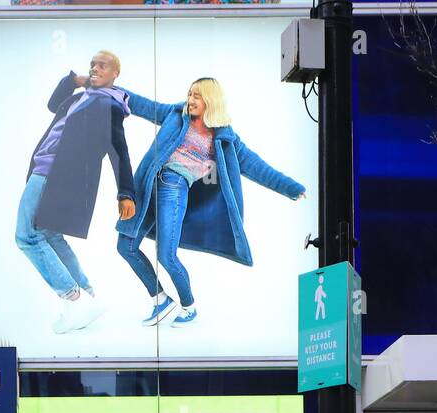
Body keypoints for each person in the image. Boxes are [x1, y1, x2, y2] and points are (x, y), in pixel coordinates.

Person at [115, 77, 306, 327]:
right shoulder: (175, 114)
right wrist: (113, 90)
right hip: (148, 186)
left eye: (197, 96)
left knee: (167, 256)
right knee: (125, 246)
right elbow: (143, 105)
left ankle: (188, 306)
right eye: (190, 94)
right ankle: (160, 300)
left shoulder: (225, 139)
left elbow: (258, 168)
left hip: (174, 189)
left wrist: (291, 188)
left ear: (210, 100)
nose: (190, 100)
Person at [18, 51, 136, 334]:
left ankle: (73, 297)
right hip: (49, 171)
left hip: (53, 174)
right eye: (92, 64)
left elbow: (120, 151)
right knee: (49, 235)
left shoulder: (109, 105)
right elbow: (51, 104)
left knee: (27, 236)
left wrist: (126, 193)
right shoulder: (80, 97)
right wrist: (74, 80)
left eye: (102, 65)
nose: (95, 68)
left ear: (115, 73)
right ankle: (86, 294)